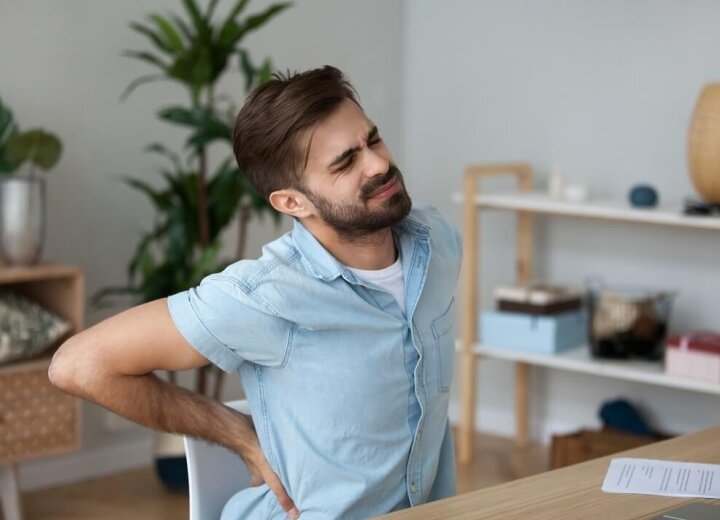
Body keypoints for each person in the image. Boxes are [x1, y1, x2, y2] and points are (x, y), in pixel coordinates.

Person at [49, 65, 462, 519]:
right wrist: (238, 434)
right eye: (345, 163)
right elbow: (78, 366)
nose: (379, 164)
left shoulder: (436, 242)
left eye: (373, 140)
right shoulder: (267, 296)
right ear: (292, 202)